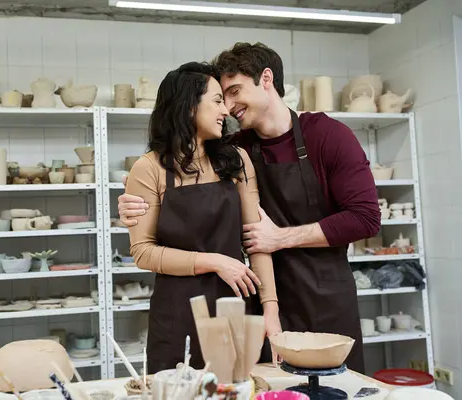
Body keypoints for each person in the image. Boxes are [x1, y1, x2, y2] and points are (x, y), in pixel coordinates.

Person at [118, 43, 381, 374]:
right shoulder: (234, 148)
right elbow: (152, 232)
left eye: (233, 92)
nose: (227, 107)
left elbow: (365, 218)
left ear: (266, 79)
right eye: (220, 98)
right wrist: (133, 202)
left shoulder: (324, 137)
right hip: (234, 298)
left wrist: (279, 243)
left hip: (319, 293)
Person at [124, 61, 281, 374]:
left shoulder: (236, 160)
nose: (226, 110)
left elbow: (256, 240)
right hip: (177, 314)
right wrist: (215, 261)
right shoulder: (149, 168)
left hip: (234, 308)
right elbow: (143, 252)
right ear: (188, 106)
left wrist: (271, 310)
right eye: (217, 100)